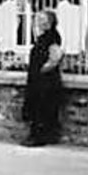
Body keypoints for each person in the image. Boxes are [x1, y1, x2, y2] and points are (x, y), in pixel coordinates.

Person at [21, 8, 64, 146]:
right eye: (37, 19)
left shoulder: (51, 36)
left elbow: (55, 56)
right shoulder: (44, 36)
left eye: (41, 19)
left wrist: (42, 70)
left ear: (49, 22)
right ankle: (45, 136)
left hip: (46, 80)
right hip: (41, 79)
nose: (38, 22)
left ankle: (38, 137)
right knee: (40, 107)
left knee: (42, 108)